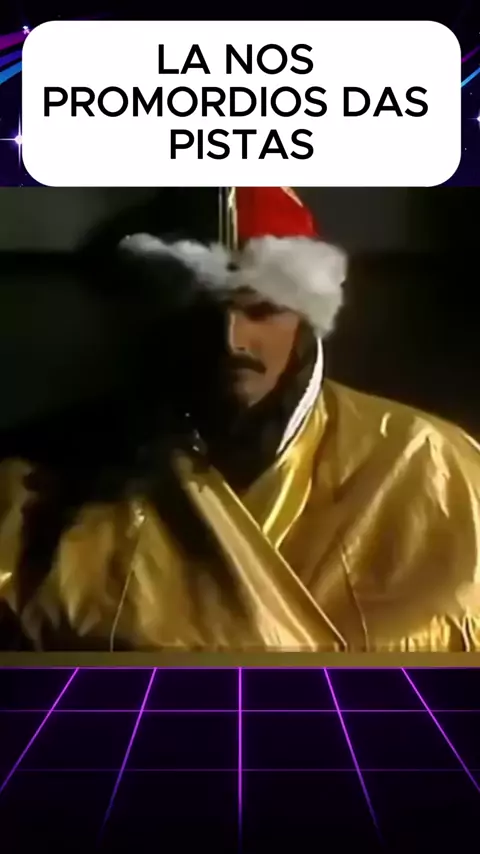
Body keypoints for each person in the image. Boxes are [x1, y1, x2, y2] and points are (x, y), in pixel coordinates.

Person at [0, 186, 479, 652]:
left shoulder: (440, 466)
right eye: (201, 309)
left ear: (304, 315)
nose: (231, 339)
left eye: (261, 309)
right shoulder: (31, 488)